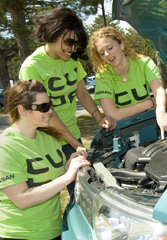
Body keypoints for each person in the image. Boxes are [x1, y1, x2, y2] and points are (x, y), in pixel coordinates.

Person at [19, 7, 116, 196]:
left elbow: (82, 93)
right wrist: (75, 144)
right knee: (47, 195)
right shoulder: (32, 66)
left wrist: (98, 117)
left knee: (82, 191)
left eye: (76, 44)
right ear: (53, 33)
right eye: (69, 42)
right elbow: (47, 111)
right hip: (45, 141)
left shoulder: (72, 61)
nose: (72, 49)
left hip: (71, 134)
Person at [0, 80, 90, 240]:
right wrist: (67, 176)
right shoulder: (3, 148)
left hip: (51, 230)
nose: (50, 111)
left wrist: (68, 165)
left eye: (50, 105)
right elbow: (22, 199)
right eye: (43, 107)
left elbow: (48, 175)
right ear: (22, 110)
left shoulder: (50, 137)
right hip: (15, 234)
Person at [89, 26, 167, 139]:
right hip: (123, 131)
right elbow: (113, 114)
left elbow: (159, 90)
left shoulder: (144, 63)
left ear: (122, 45)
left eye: (109, 48)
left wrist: (161, 110)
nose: (107, 54)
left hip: (149, 123)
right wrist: (150, 103)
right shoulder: (102, 76)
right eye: (102, 53)